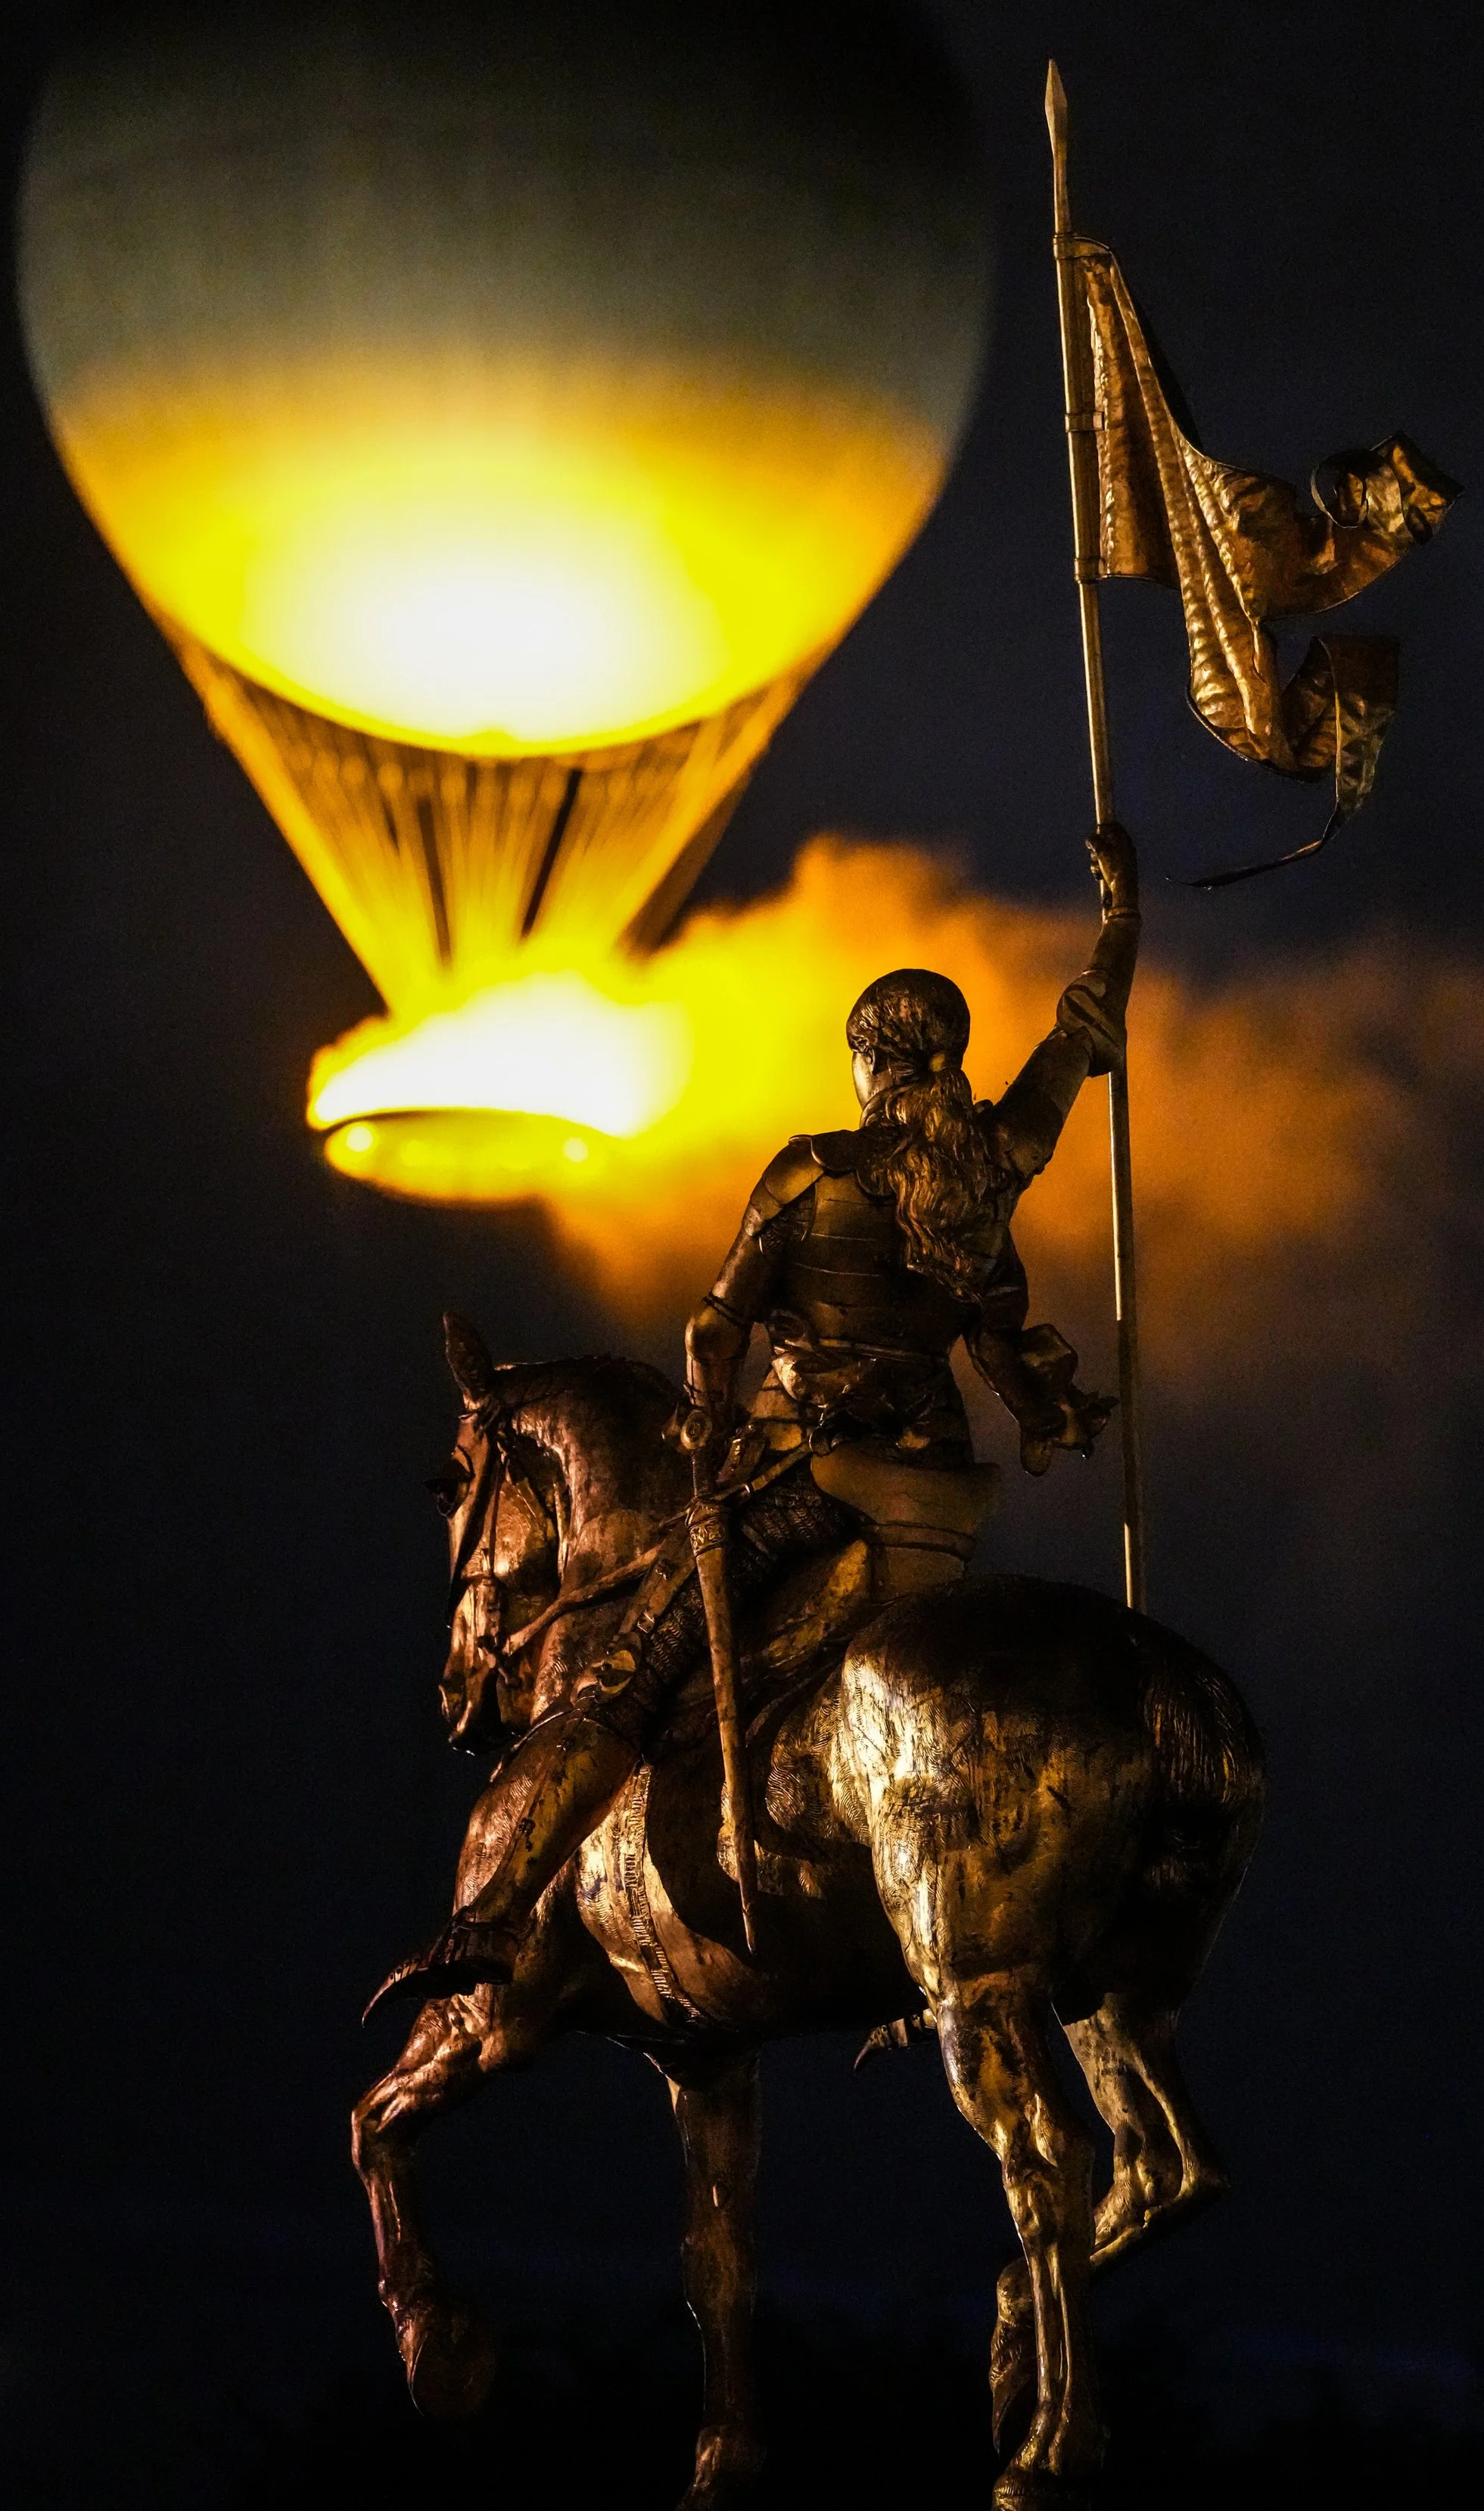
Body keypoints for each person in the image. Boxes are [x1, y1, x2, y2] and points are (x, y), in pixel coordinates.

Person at [374, 825, 1140, 2012]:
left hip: (812, 1485)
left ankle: (485, 1921)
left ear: (868, 1061)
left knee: (627, 1677)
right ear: (945, 1057)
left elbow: (712, 1325)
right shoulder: (989, 1178)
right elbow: (1072, 1054)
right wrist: (1121, 929)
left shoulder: (811, 1174)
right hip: (940, 1509)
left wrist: (706, 1426)